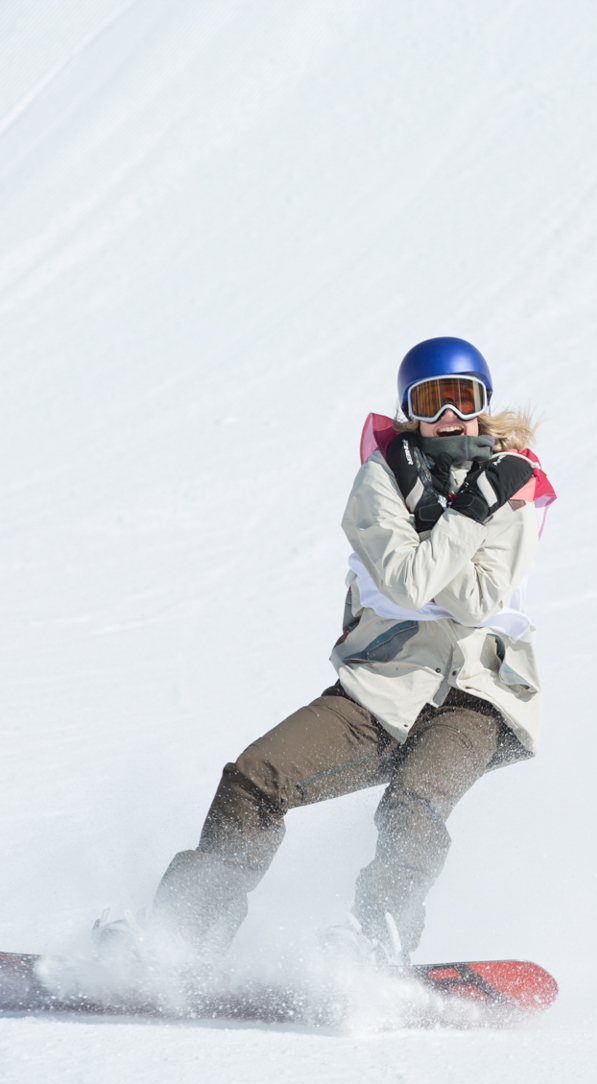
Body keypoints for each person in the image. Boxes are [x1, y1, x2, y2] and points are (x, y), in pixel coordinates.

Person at [133, 337, 554, 969]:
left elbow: (477, 600)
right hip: (381, 686)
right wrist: (468, 514)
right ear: (409, 410)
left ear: (482, 404)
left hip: (477, 696)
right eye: (431, 400)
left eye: (462, 398)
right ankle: (179, 937)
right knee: (254, 778)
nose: (448, 416)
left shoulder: (516, 484)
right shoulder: (379, 480)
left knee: (414, 803)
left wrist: (446, 527)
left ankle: (376, 946)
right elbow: (410, 585)